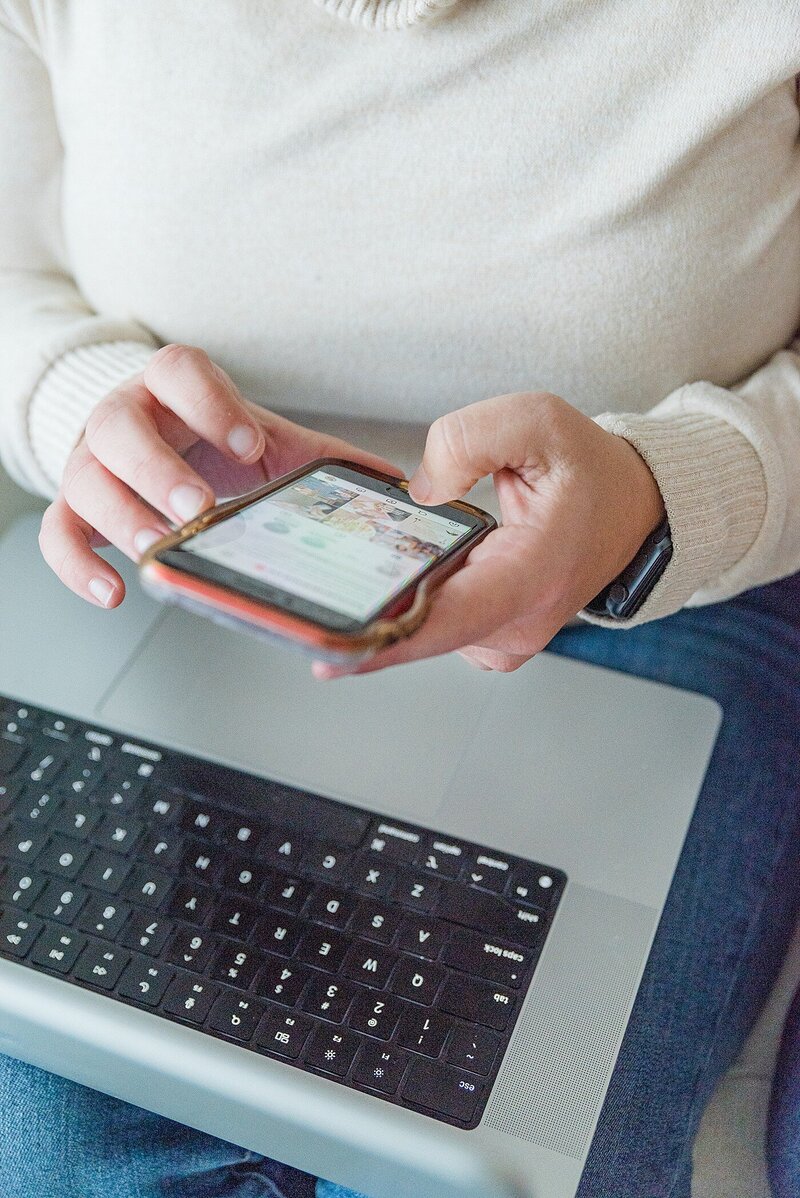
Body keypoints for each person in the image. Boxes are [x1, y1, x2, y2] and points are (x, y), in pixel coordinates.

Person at [0, 3, 798, 1195]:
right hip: (184, 586)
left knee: (503, 1160)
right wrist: (80, 404)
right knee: (70, 1158)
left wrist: (653, 493)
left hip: (663, 608)